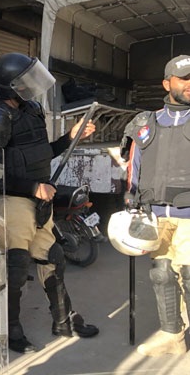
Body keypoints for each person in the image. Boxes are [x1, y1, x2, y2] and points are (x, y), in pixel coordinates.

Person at [0, 52, 99, 354]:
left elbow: (43, 153)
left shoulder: (31, 110)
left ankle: (64, 319)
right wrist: (33, 186)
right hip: (13, 201)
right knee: (16, 267)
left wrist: (70, 137)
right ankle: (10, 329)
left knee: (52, 257)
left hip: (40, 200)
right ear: (10, 86)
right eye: (25, 80)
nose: (32, 85)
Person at [120, 54, 190, 356]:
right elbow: (133, 166)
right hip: (154, 215)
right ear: (166, 83)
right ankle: (172, 335)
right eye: (184, 79)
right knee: (161, 273)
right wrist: (131, 198)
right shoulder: (145, 123)